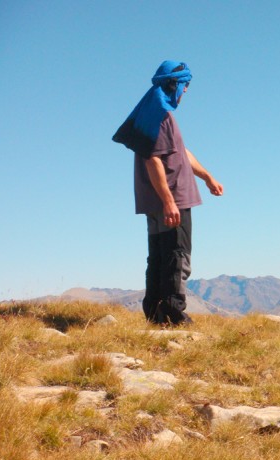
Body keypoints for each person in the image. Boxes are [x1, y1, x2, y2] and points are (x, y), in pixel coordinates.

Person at [112, 60, 223, 325]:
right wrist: (169, 201)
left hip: (158, 201)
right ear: (174, 84)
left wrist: (207, 176)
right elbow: (153, 159)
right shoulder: (160, 114)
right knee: (177, 255)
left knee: (160, 255)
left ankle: (155, 314)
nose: (186, 91)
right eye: (185, 86)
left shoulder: (152, 112)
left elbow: (180, 152)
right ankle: (173, 315)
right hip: (171, 198)